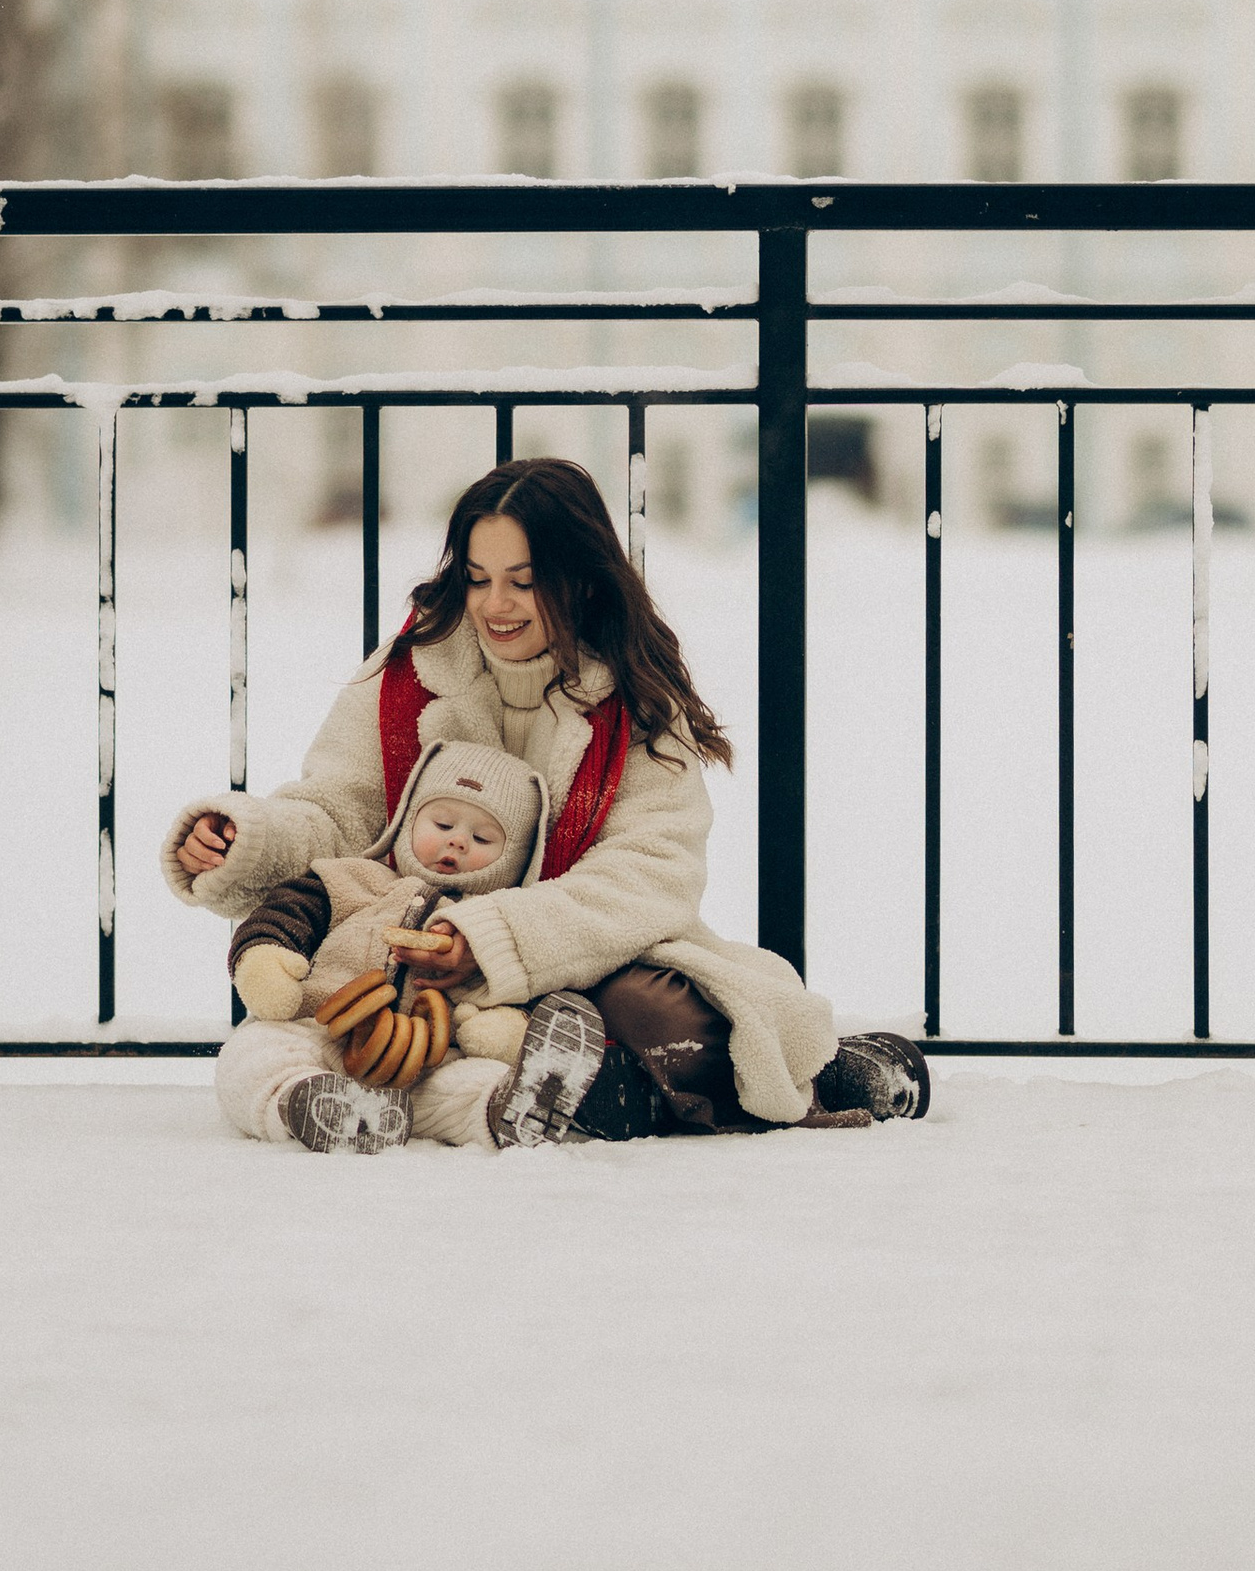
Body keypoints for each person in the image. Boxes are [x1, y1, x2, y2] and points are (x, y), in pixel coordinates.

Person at [162, 454, 929, 1151]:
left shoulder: (636, 707)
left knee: (651, 1015)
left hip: (580, 968)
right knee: (280, 1041)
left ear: (581, 578)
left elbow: (647, 876)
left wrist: (492, 940)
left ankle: (816, 1073)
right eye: (478, 576)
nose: (497, 604)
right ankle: (595, 1101)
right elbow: (341, 814)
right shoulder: (405, 678)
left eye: (525, 581)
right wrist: (246, 842)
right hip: (410, 976)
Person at [217, 740, 589, 1153]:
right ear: (408, 821)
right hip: (318, 1033)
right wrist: (267, 956)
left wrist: (501, 1029)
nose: (458, 842)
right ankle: (302, 1100)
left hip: (425, 1064)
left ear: (517, 858)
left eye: (483, 837)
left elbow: (513, 987)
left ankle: (504, 1107)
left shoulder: (493, 925)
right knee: (253, 1054)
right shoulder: (359, 879)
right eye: (443, 825)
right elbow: (290, 912)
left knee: (467, 1083)